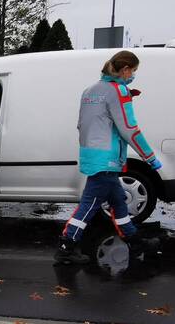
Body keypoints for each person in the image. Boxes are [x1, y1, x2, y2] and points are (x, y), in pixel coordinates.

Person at [55, 50, 163, 265]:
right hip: (107, 159)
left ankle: (134, 241)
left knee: (119, 202)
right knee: (89, 205)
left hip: (92, 155)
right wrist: (150, 158)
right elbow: (129, 129)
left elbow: (85, 123)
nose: (133, 74)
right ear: (125, 70)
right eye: (133, 70)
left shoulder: (90, 90)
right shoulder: (118, 91)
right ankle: (66, 246)